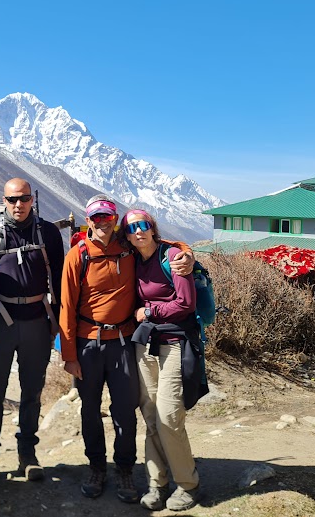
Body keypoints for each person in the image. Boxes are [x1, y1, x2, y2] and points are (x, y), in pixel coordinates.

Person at [59, 195, 193, 504]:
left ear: (115, 219)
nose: (102, 223)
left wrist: (187, 253)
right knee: (90, 410)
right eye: (96, 218)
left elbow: (157, 242)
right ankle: (96, 466)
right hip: (87, 344)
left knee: (125, 411)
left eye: (107, 217)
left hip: (123, 343)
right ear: (88, 220)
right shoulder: (77, 255)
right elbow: (66, 306)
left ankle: (124, 468)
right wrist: (68, 356)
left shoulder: (127, 246)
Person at [0, 178, 64, 487]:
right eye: (12, 199)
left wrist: (58, 319)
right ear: (4, 200)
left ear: (32, 200)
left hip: (37, 321)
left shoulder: (48, 233)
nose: (18, 205)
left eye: (24, 198)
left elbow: (60, 279)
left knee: (32, 392)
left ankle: (28, 455)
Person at [122, 209, 202, 512]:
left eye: (143, 225)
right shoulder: (133, 259)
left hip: (174, 344)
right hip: (145, 347)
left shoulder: (172, 257)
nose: (138, 231)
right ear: (127, 235)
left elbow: (185, 303)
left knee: (169, 416)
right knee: (151, 416)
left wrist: (150, 312)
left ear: (153, 229)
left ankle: (188, 484)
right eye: (132, 228)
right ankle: (157, 483)